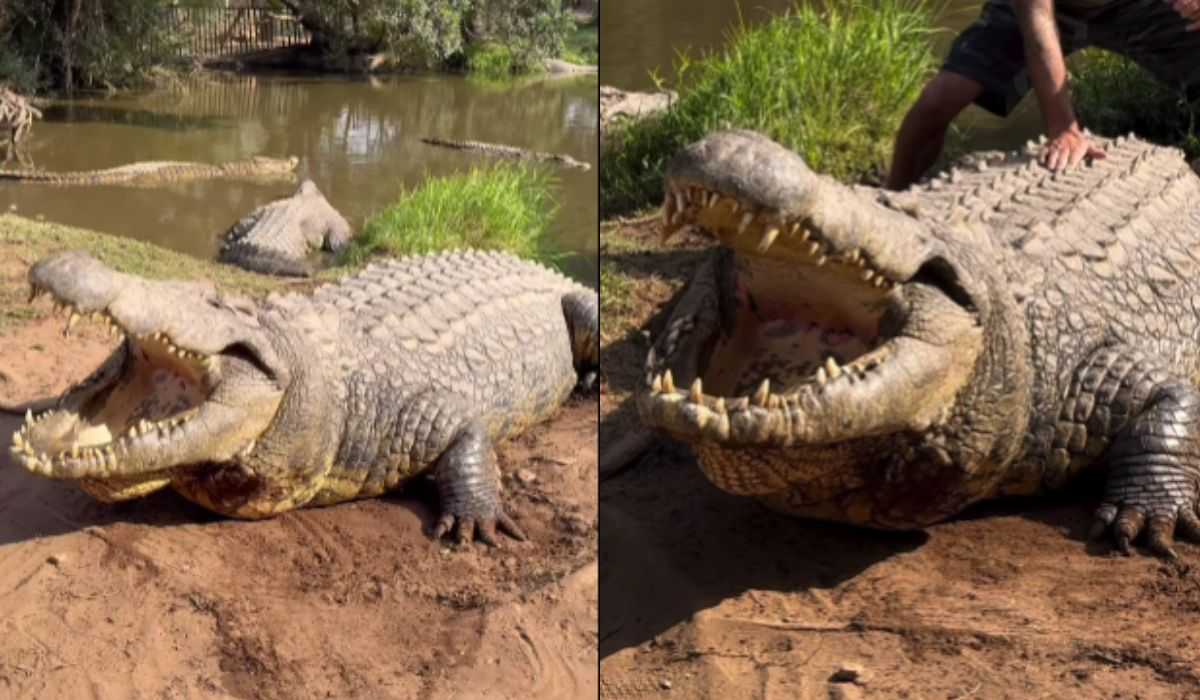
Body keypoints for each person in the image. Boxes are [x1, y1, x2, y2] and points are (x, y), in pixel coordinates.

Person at [886, 0, 1200, 191]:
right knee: (938, 101)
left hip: (1133, 7)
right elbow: (1038, 23)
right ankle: (893, 200)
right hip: (1047, 9)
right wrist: (1063, 127)